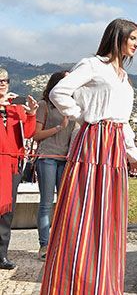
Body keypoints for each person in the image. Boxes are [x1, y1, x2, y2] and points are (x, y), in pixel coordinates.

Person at [40, 18, 137, 294]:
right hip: (93, 142)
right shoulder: (92, 65)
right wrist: (85, 117)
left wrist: (132, 153)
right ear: (117, 37)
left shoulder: (124, 77)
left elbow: (124, 120)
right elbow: (58, 91)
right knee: (84, 209)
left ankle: (102, 281)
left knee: (109, 213)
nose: (136, 44)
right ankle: (75, 282)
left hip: (115, 146)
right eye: (132, 38)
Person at [32, 71, 76, 261]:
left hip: (65, 159)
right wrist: (59, 127)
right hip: (47, 157)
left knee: (64, 203)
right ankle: (44, 245)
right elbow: (36, 135)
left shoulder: (72, 107)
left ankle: (61, 243)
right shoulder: (44, 105)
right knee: (46, 203)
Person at [0, 68, 38, 270]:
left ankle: (1, 254)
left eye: (5, 80)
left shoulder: (16, 107)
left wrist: (31, 112)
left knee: (7, 210)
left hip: (13, 164)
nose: (2, 84)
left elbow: (30, 132)